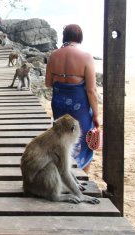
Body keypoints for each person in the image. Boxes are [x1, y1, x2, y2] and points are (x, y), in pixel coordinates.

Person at [45, 24, 100, 173]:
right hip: (79, 107)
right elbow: (91, 90)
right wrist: (95, 115)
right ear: (80, 37)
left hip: (59, 105)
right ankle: (81, 176)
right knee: (83, 142)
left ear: (64, 37)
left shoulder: (54, 55)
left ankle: (63, 171)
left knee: (62, 139)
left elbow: (48, 83)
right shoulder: (86, 57)